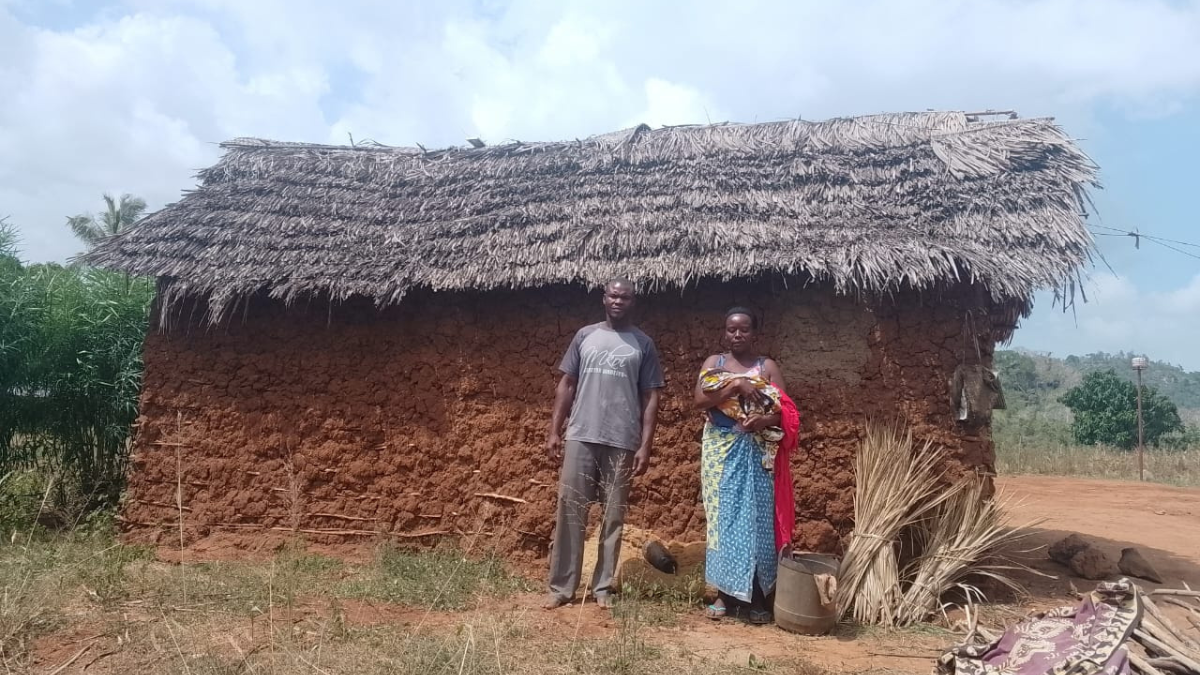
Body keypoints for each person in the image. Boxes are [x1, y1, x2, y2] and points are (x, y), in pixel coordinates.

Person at [543, 279, 665, 610]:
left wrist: (645, 444)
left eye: (624, 297)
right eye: (613, 295)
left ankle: (603, 587)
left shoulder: (643, 343)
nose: (618, 301)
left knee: (613, 515)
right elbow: (567, 383)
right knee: (570, 510)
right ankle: (562, 588)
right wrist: (556, 430)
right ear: (604, 299)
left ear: (632, 302)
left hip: (622, 440)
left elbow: (651, 395)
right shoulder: (585, 336)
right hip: (581, 433)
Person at [694, 307, 799, 624]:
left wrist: (763, 420)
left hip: (758, 451)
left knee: (758, 520)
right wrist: (736, 387)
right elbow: (699, 401)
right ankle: (724, 595)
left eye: (743, 330)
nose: (737, 335)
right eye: (731, 329)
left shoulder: (767, 366)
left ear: (754, 333)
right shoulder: (716, 364)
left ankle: (758, 597)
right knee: (724, 519)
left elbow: (786, 411)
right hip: (722, 452)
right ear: (724, 332)